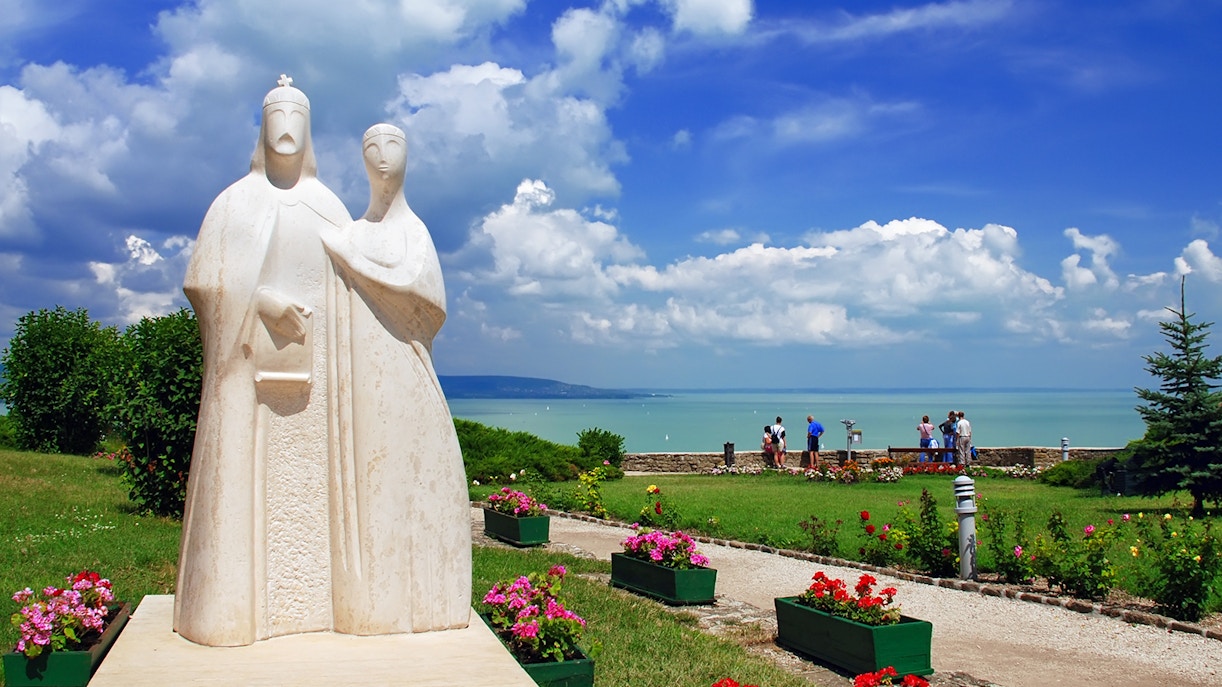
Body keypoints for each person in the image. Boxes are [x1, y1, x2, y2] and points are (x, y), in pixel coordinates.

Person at [178, 76, 352, 646]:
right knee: (241, 489)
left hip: (315, 386)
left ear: (308, 127)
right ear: (262, 125)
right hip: (244, 377)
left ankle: (318, 606)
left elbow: (354, 288)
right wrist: (260, 300)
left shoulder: (329, 207)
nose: (286, 127)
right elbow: (205, 283)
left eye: (296, 115)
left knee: (313, 498)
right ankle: (234, 612)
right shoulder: (234, 202)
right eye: (276, 114)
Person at [322, 123, 471, 634]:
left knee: (419, 474)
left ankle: (426, 601)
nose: (382, 156)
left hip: (406, 370)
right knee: (371, 481)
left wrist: (351, 261)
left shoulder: (413, 231)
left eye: (393, 146)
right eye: (371, 147)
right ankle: (372, 602)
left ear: (408, 157)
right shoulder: (352, 231)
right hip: (362, 376)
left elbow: (427, 295)